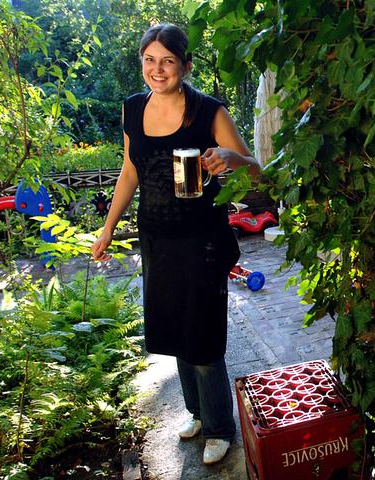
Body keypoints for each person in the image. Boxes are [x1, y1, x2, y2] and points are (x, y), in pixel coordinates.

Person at [91, 23, 262, 465]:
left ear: (185, 65)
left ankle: (221, 427)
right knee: (173, 330)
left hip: (203, 239)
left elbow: (256, 171)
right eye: (149, 59)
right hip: (156, 237)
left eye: (167, 60)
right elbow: (130, 172)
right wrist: (109, 227)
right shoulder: (132, 110)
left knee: (202, 335)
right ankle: (198, 414)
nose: (157, 69)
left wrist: (233, 159)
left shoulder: (208, 113)